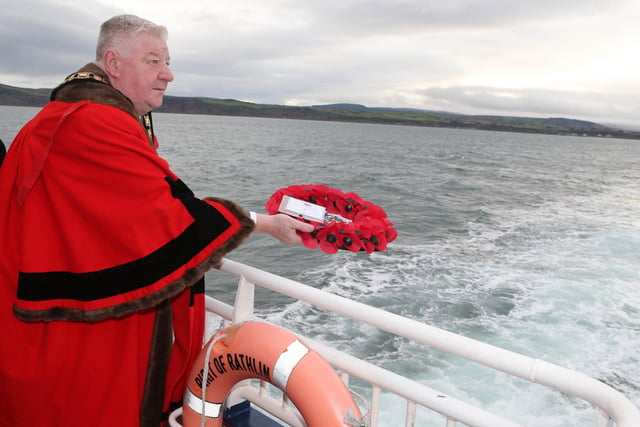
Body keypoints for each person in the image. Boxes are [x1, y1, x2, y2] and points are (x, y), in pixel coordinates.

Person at [0, 14, 313, 427]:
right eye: (153, 61)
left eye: (166, 62)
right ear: (113, 63)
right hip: (74, 332)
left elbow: (149, 205)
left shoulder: (73, 116)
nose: (168, 75)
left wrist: (267, 223)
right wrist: (255, 223)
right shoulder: (91, 125)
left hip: (49, 313)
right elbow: (164, 220)